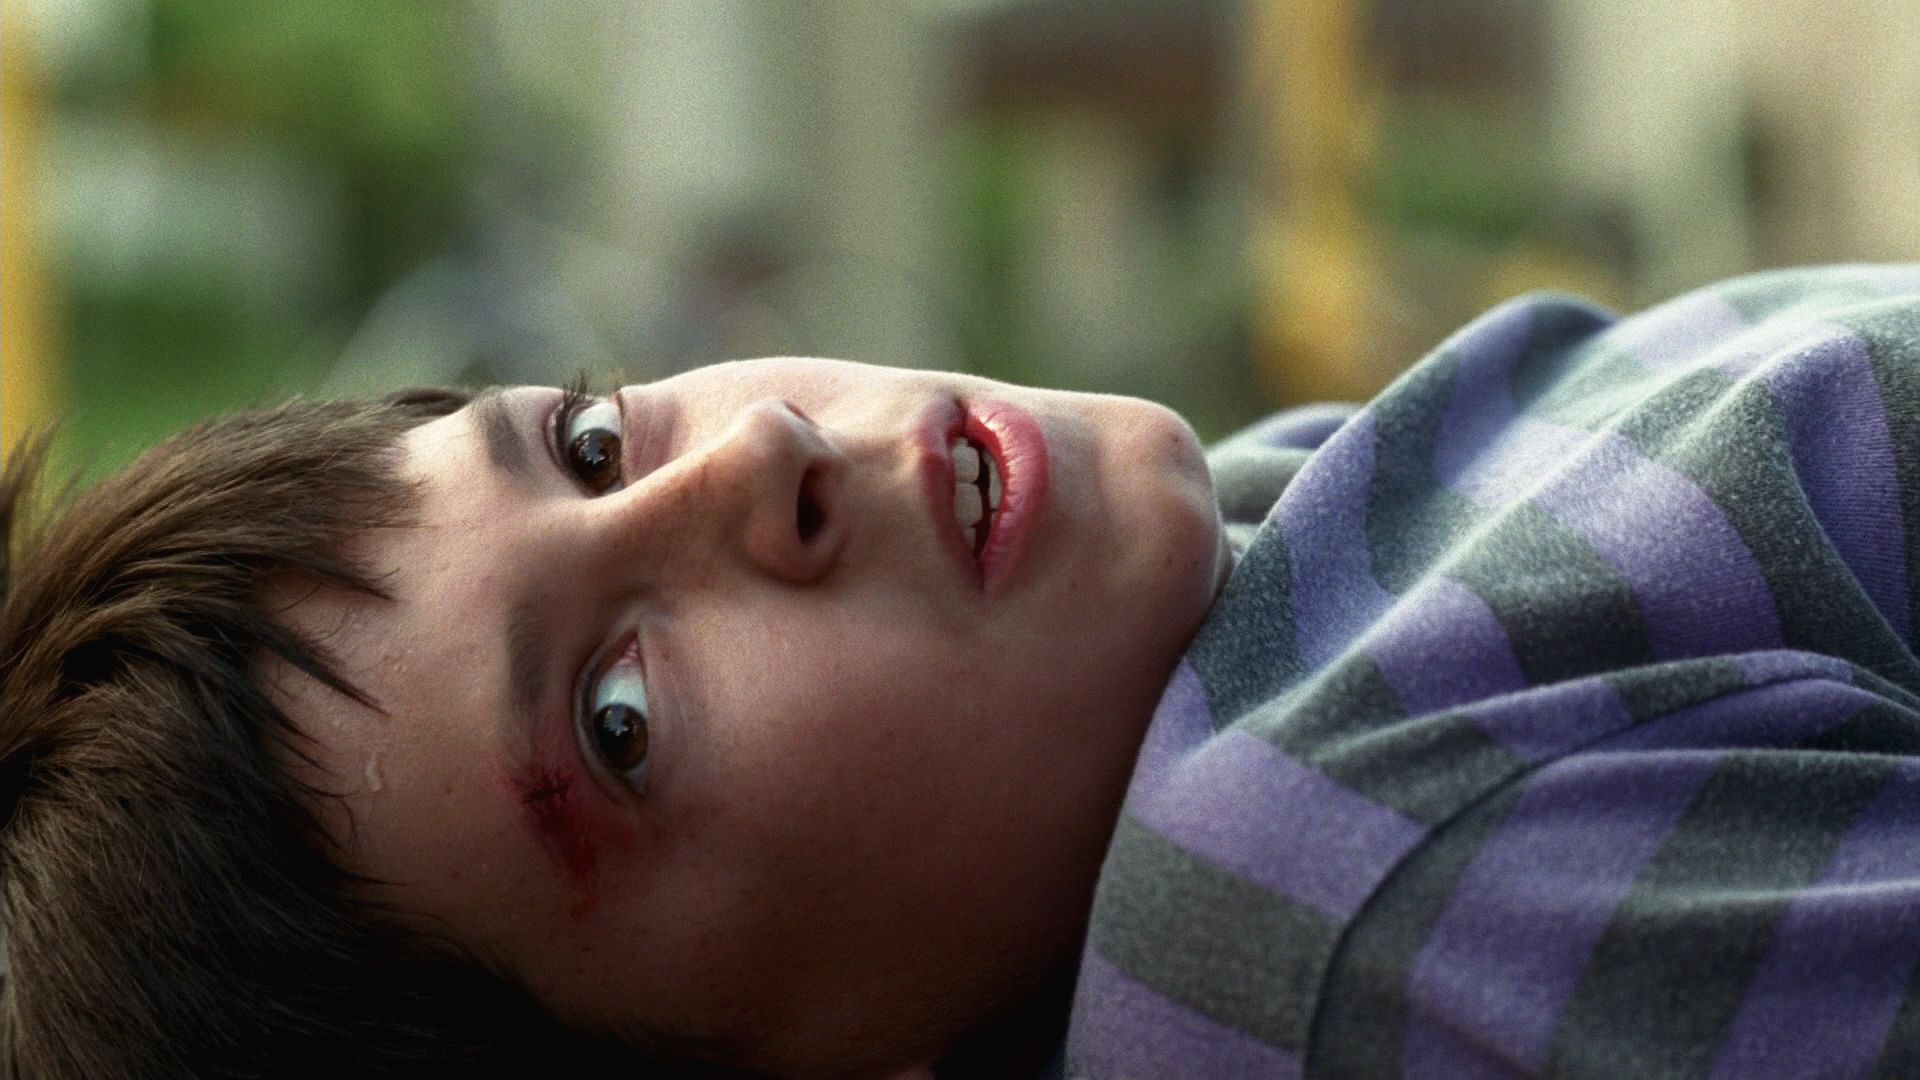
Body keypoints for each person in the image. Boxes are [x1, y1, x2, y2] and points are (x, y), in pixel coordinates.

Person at [3, 263, 1918, 1079]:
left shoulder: (1213, 560)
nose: (756, 460)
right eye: (620, 722)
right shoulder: (1331, 897)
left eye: (587, 443)